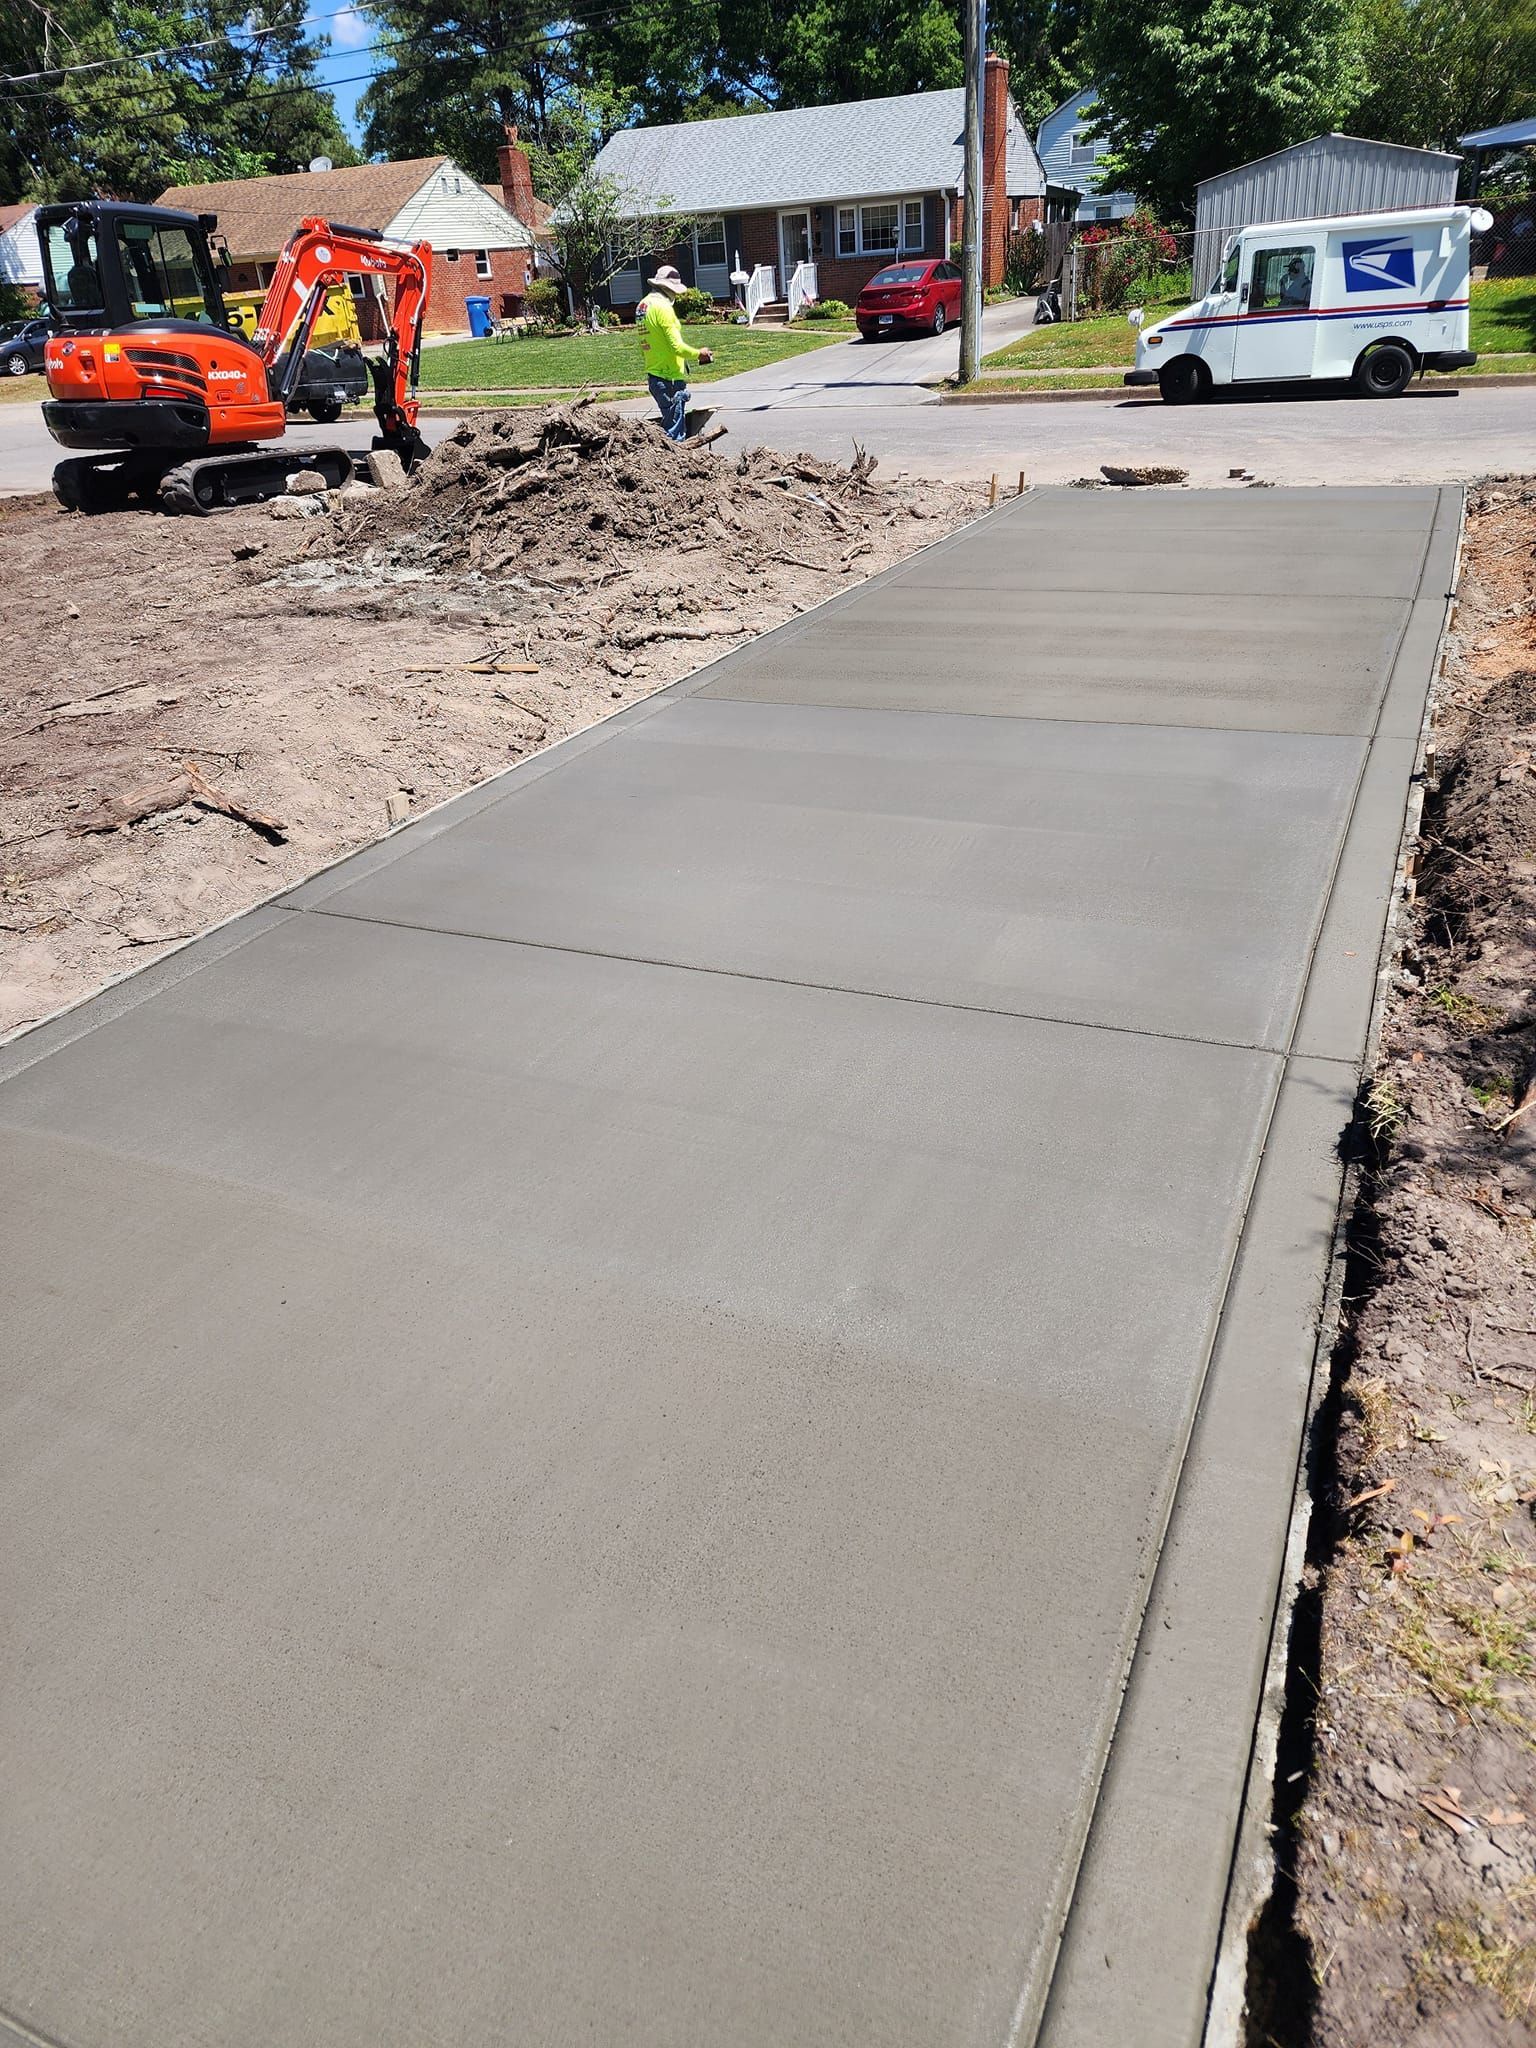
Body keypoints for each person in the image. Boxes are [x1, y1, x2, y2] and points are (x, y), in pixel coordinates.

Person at [635, 264, 712, 442]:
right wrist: (699, 353)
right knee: (675, 436)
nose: (676, 295)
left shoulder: (643, 306)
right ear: (668, 288)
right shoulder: (663, 308)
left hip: (655, 374)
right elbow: (677, 347)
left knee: (671, 427)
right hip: (669, 379)